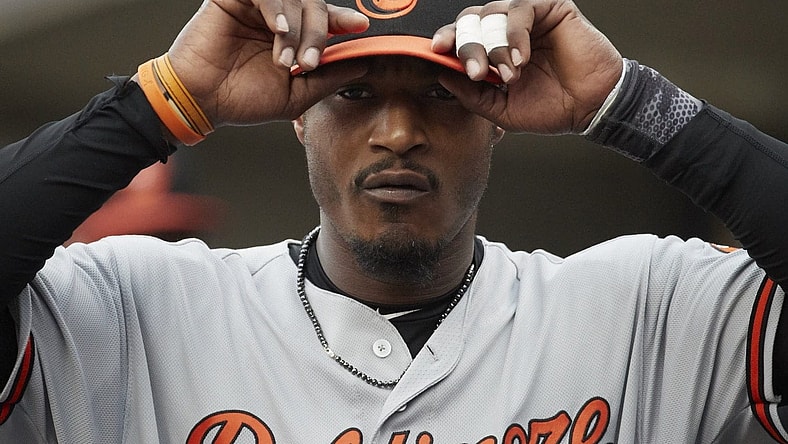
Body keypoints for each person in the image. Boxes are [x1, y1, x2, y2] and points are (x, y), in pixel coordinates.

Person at [0, 0, 786, 442]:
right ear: (299, 114)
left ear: (501, 115)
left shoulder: (649, 311)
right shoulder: (128, 312)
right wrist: (166, 96)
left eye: (444, 94)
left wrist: (632, 105)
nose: (399, 132)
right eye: (356, 93)